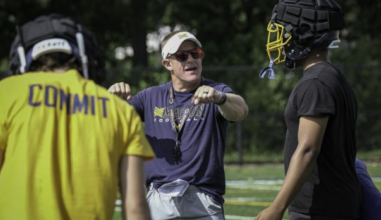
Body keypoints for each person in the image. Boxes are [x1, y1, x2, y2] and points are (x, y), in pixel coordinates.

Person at [0, 14, 154, 220]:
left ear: (24, 59)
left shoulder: (7, 92)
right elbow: (135, 207)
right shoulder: (120, 110)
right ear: (85, 58)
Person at [108, 30, 249, 219]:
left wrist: (220, 98)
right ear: (168, 64)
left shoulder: (215, 91)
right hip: (159, 200)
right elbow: (108, 124)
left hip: (204, 200)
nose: (191, 59)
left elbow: (241, 111)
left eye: (195, 53)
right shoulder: (150, 96)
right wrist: (109, 100)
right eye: (182, 56)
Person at [255, 0, 361, 220]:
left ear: (302, 33)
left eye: (283, 32)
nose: (279, 40)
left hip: (320, 209)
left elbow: (307, 149)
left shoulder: (315, 83)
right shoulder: (332, 76)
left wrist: (276, 208)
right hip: (333, 205)